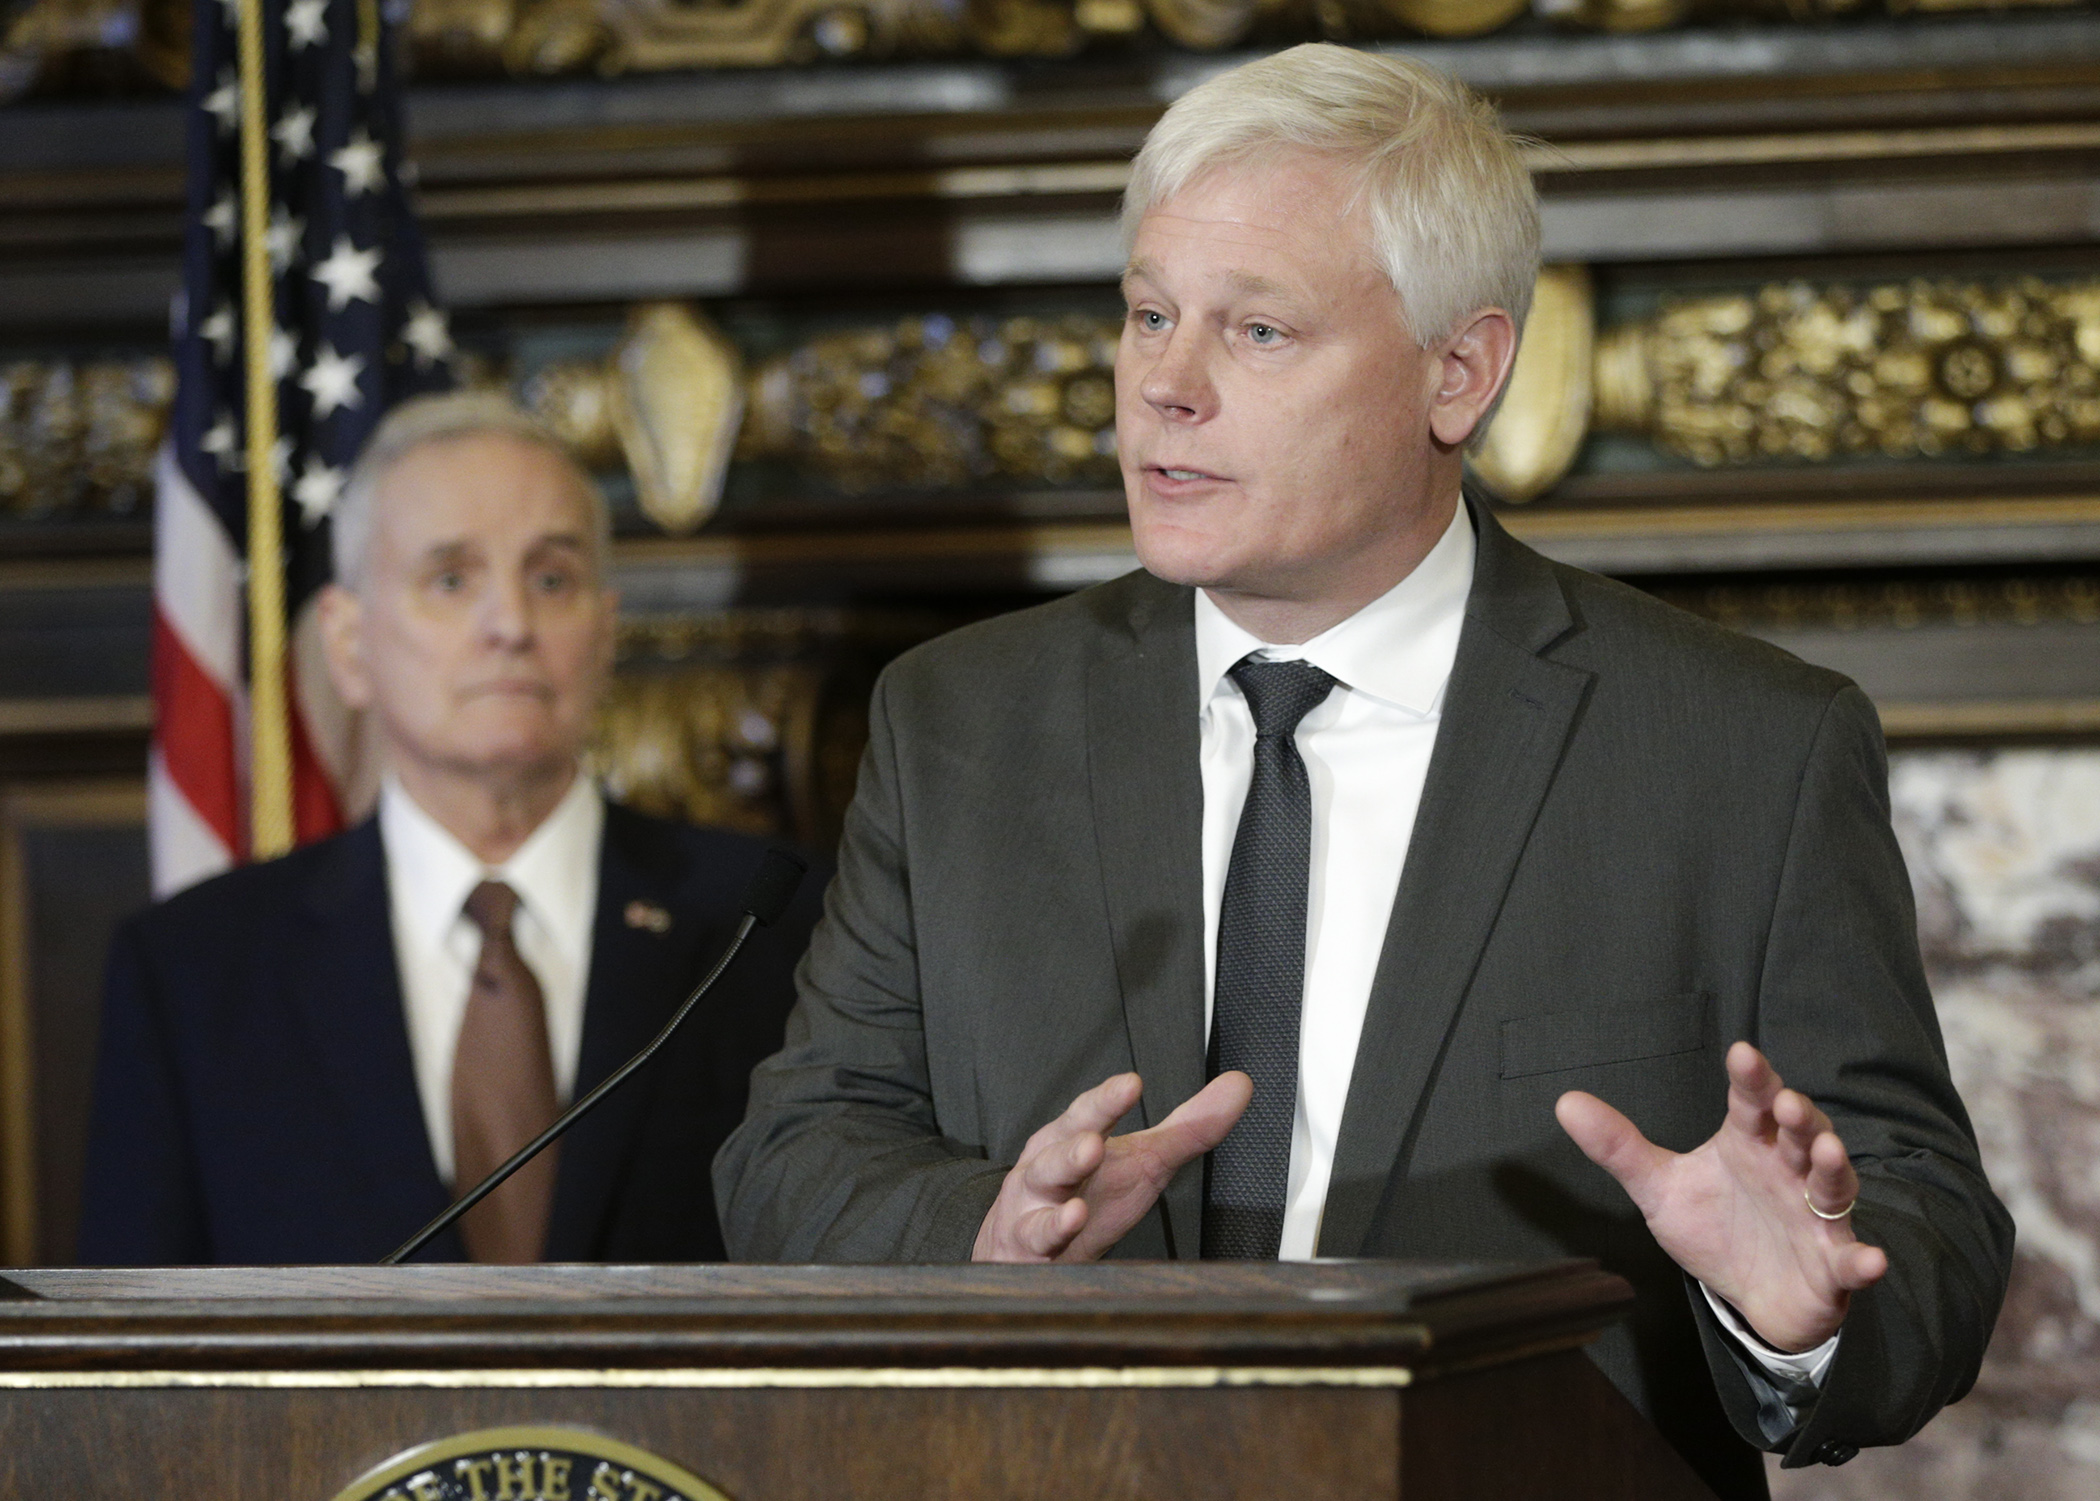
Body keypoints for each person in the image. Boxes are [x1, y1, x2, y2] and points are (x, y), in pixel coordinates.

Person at [715, 44, 2012, 1499]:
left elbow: (1928, 1228)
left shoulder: (1742, 752)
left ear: (1458, 372)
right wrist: (987, 1236)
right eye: (1148, 315)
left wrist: (1794, 1310)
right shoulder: (956, 722)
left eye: (1257, 332)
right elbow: (796, 1153)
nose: (1165, 387)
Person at [80, 392, 821, 1266]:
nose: (509, 625)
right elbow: (138, 1362)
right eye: (451, 579)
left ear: (606, 628)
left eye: (551, 578)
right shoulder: (194, 973)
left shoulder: (781, 929)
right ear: (349, 645)